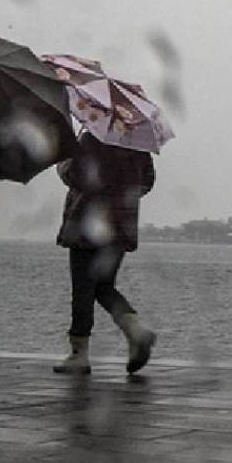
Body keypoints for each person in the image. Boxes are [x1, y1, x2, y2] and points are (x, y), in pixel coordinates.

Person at [53, 133, 157, 375]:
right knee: (103, 286)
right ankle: (136, 331)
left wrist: (62, 163)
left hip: (87, 225)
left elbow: (76, 175)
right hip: (120, 227)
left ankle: (79, 354)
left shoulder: (91, 139)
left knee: (83, 289)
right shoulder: (137, 144)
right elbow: (147, 182)